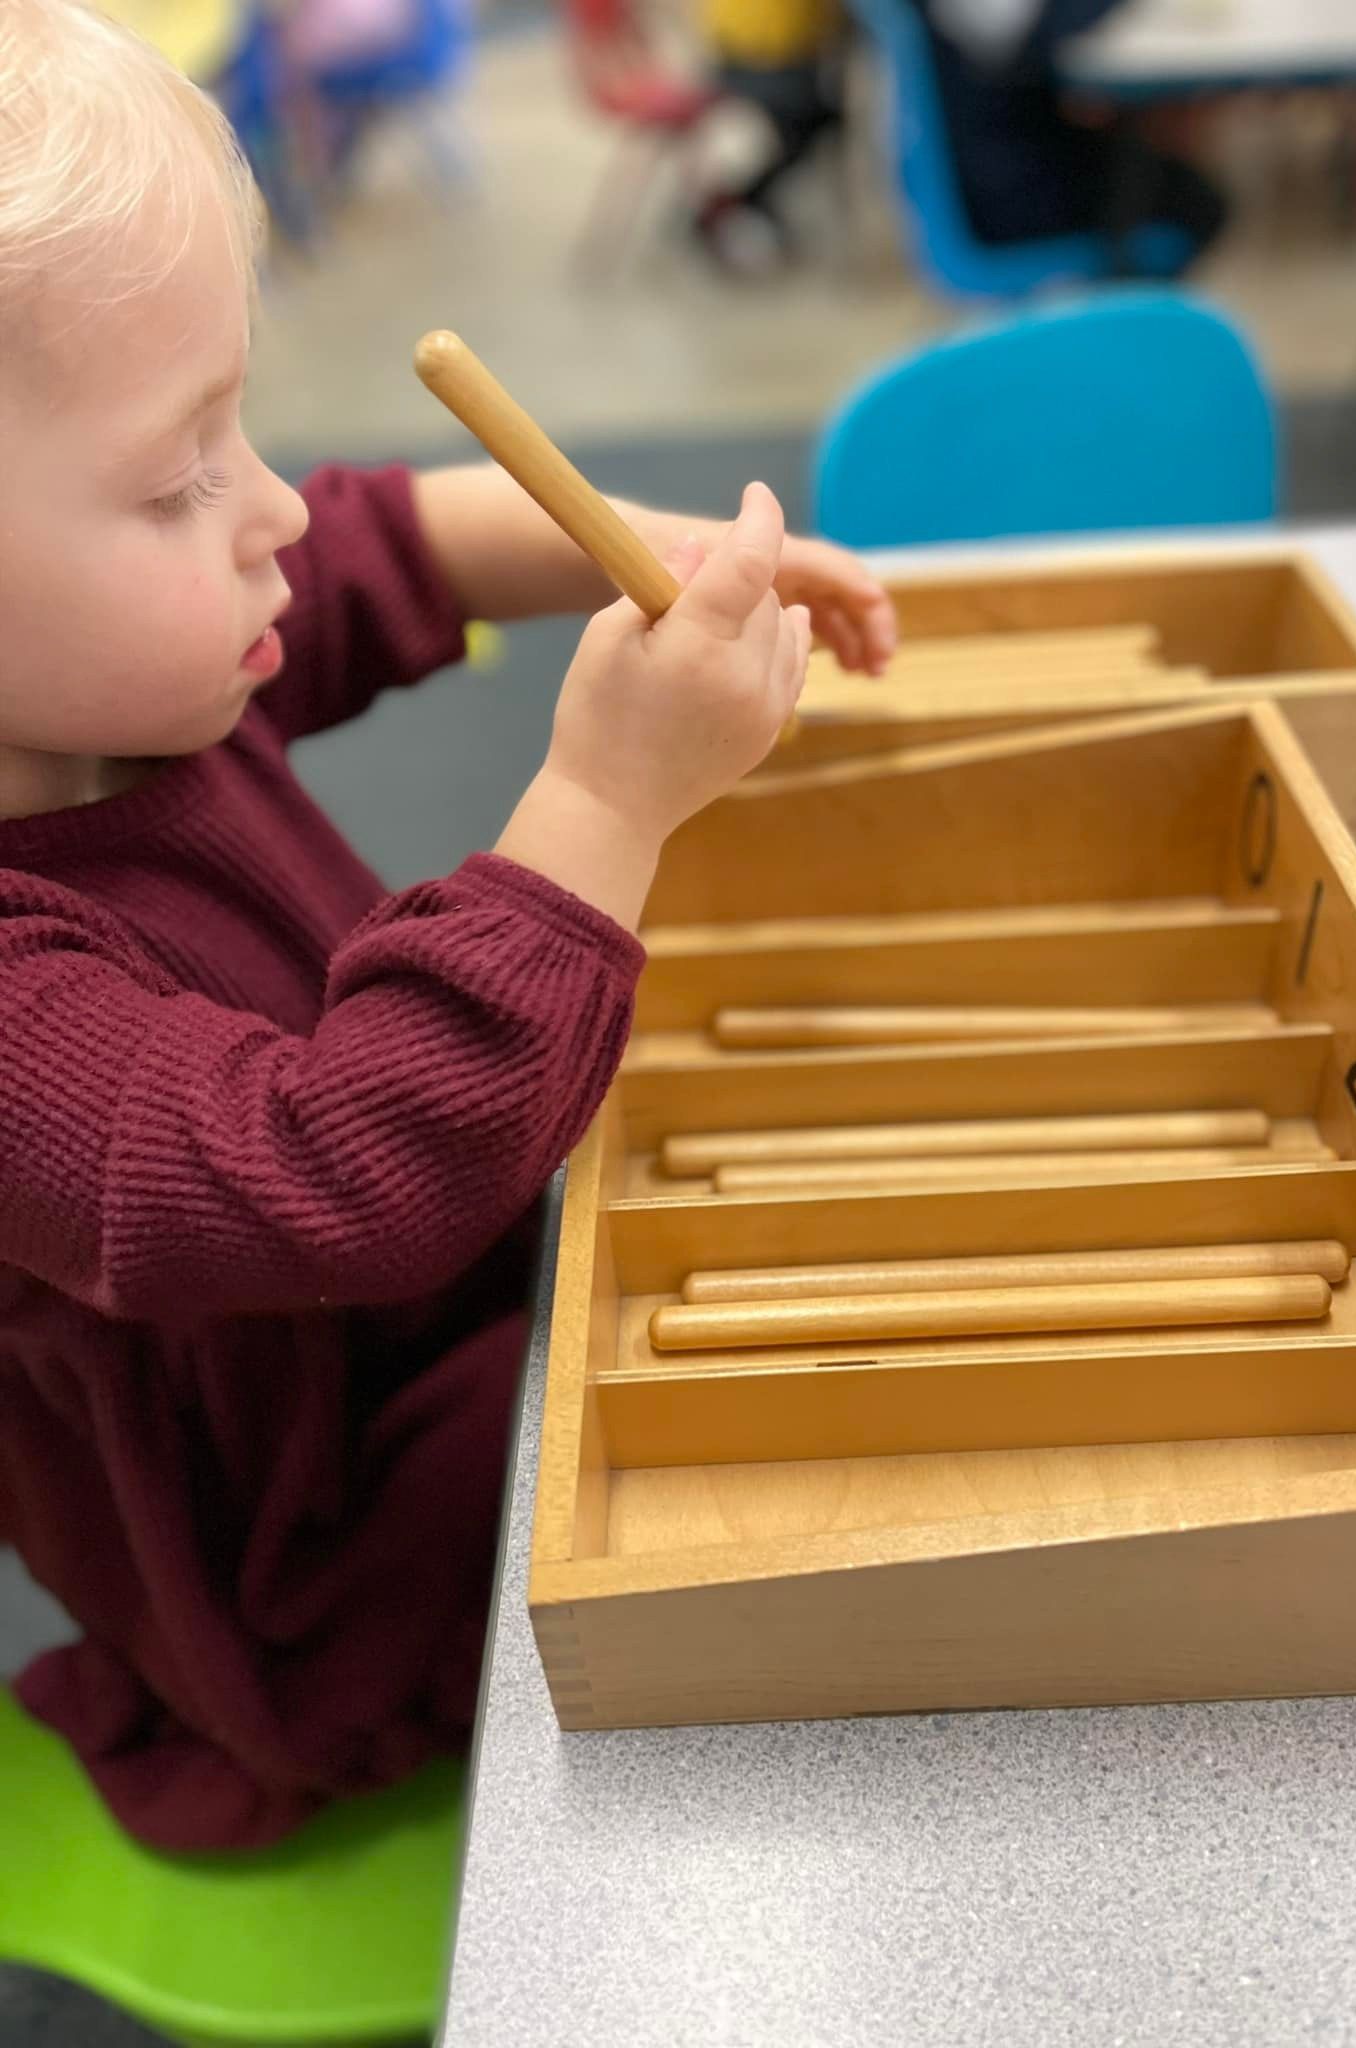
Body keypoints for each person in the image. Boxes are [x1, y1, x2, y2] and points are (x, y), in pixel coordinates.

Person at [0, 0, 897, 1852]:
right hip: (320, 1577)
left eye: (234, 425)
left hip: (438, 1333)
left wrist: (640, 541)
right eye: (175, 477)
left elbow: (386, 536)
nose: (260, 510)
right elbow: (326, 1174)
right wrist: (607, 800)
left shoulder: (130, 666)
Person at [915, 0, 1226, 264]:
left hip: (1010, 156)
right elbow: (1041, 40)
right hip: (1006, 185)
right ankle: (1116, 314)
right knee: (1191, 204)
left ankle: (1123, 313)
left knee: (1183, 188)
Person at [694, 0, 846, 268]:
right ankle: (739, 205)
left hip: (736, 54)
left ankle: (740, 205)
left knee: (801, 128)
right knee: (810, 123)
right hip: (772, 61)